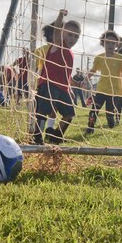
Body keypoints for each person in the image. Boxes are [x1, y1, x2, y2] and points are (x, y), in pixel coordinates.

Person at [32, 10, 81, 144]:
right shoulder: (57, 44)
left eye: (76, 36)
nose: (73, 38)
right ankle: (37, 136)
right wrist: (60, 16)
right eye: (70, 35)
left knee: (69, 114)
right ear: (62, 33)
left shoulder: (70, 53)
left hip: (63, 88)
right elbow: (57, 28)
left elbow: (66, 73)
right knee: (44, 111)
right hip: (49, 84)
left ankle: (56, 136)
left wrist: (69, 87)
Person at [86, 30, 122, 134]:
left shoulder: (120, 58)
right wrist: (84, 79)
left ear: (116, 45)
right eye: (107, 42)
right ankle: (90, 128)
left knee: (109, 112)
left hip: (115, 91)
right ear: (103, 43)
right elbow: (93, 70)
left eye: (113, 43)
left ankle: (111, 121)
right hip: (101, 89)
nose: (110, 45)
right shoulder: (99, 58)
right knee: (94, 110)